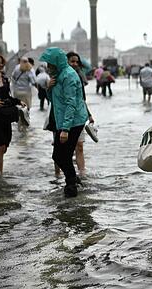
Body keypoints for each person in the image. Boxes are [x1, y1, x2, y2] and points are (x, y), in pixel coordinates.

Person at [39, 47, 89, 197]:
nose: (48, 67)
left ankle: (71, 185)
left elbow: (71, 103)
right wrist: (49, 89)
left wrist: (65, 129)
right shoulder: (57, 76)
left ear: (56, 63)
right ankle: (73, 180)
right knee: (60, 155)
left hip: (73, 121)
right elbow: (53, 101)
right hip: (63, 120)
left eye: (50, 64)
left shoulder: (68, 76)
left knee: (62, 155)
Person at [67, 52, 95, 176]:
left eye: (76, 62)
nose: (75, 64)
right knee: (65, 150)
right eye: (72, 61)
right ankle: (61, 175)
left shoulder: (78, 77)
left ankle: (82, 173)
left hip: (79, 116)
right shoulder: (61, 77)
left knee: (79, 146)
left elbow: (81, 99)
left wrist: (88, 114)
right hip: (65, 117)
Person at [11, 57, 37, 125]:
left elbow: (13, 77)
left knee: (19, 106)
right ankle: (26, 120)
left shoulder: (16, 68)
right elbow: (33, 81)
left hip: (17, 92)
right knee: (27, 107)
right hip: (26, 92)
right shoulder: (30, 69)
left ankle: (20, 121)